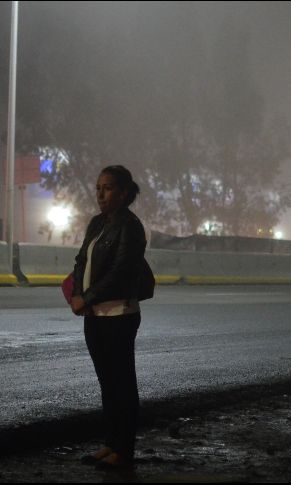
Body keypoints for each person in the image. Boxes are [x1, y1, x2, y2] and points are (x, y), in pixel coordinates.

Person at [71, 165, 146, 471]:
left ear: (125, 192)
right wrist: (78, 294)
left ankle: (124, 450)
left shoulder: (130, 226)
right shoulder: (97, 223)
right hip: (95, 315)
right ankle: (110, 443)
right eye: (98, 188)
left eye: (108, 188)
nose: (101, 194)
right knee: (107, 383)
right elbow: (81, 260)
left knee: (122, 384)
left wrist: (86, 298)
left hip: (118, 314)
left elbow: (121, 272)